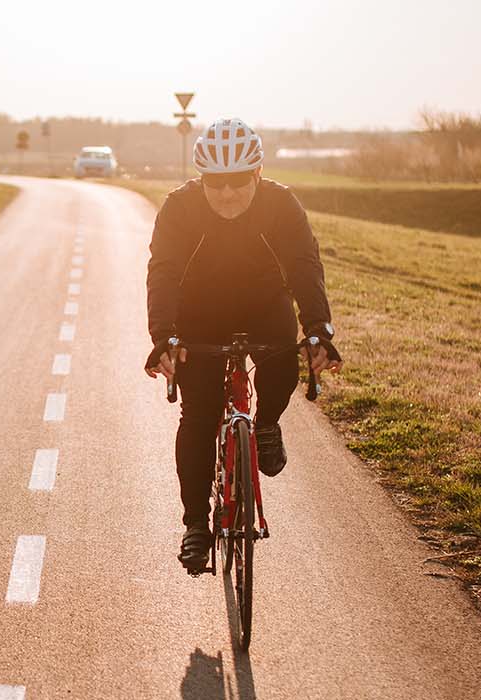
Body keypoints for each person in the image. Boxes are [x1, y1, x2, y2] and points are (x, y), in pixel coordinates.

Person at [143, 117, 343, 574]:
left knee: (282, 368)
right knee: (198, 414)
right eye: (216, 183)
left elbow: (304, 265)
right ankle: (196, 524)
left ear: (257, 174)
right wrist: (164, 337)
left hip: (264, 305)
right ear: (201, 179)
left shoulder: (281, 205)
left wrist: (318, 328)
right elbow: (164, 272)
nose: (227, 193)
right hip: (199, 315)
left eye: (238, 182)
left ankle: (266, 424)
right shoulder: (180, 208)